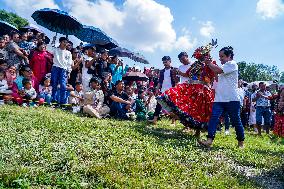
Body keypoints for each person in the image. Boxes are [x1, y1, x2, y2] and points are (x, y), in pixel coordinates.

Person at [156, 44, 216, 137]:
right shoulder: (195, 64)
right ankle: (191, 128)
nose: (200, 56)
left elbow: (213, 76)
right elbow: (187, 74)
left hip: (202, 89)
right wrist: (179, 73)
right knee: (190, 109)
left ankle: (198, 131)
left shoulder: (210, 64)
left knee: (199, 110)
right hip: (191, 88)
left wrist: (207, 84)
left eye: (202, 55)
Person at [199, 46, 245, 148]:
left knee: (236, 120)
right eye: (219, 56)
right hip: (219, 98)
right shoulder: (223, 67)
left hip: (232, 99)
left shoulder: (232, 64)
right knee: (214, 118)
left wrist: (209, 63)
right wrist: (208, 65)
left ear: (229, 56)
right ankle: (209, 140)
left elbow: (218, 70)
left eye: (222, 56)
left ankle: (241, 142)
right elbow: (216, 74)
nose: (220, 58)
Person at [148, 56, 179, 124]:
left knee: (172, 106)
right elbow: (160, 82)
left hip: (171, 91)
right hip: (163, 90)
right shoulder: (162, 71)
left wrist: (175, 90)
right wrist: (157, 89)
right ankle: (154, 119)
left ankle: (173, 122)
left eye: (166, 62)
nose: (165, 63)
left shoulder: (174, 70)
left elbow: (177, 81)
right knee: (158, 104)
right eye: (163, 62)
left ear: (170, 61)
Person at [50, 37, 73, 105]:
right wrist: (53, 41)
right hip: (55, 68)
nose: (65, 43)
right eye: (64, 42)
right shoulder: (55, 49)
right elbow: (49, 49)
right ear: (60, 42)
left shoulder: (68, 53)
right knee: (54, 84)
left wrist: (69, 72)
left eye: (66, 42)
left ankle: (62, 102)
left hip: (64, 70)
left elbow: (69, 63)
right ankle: (54, 99)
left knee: (63, 85)